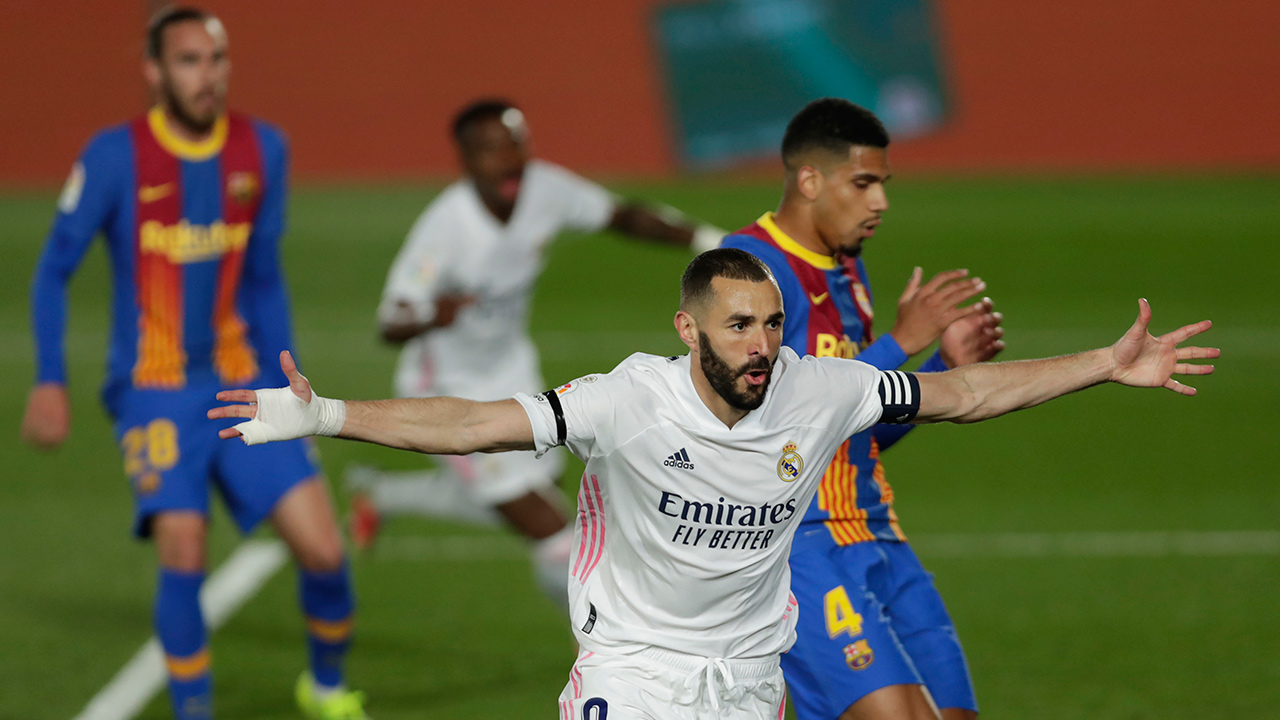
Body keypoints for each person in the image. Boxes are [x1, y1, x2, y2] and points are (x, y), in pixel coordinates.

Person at [209, 249, 1216, 720]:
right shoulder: (628, 400)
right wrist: (328, 415)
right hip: (633, 675)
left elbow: (959, 392)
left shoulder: (821, 391)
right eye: (738, 325)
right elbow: (474, 422)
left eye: (772, 323)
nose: (761, 344)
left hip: (746, 680)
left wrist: (1100, 362)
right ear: (688, 328)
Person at [20, 8, 366, 719]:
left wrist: (293, 383)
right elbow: (53, 270)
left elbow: (263, 275)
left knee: (325, 551)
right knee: (182, 545)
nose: (206, 77)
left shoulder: (263, 148)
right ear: (153, 70)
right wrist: (50, 378)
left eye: (216, 60)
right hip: (153, 387)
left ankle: (326, 688)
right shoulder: (115, 157)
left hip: (242, 379)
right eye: (188, 61)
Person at [346, 98, 726, 611]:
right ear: (464, 158)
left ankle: (383, 496)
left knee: (528, 494)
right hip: (446, 389)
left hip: (512, 372)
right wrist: (435, 313)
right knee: (556, 534)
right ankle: (599, 658)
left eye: (515, 145)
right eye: (490, 150)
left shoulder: (546, 189)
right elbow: (391, 321)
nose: (508, 161)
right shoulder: (445, 228)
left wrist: (712, 240)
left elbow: (623, 215)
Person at [720, 98, 1000, 719]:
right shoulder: (747, 264)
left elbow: (854, 429)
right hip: (801, 544)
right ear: (811, 180)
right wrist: (902, 340)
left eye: (883, 184)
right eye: (864, 183)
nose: (881, 202)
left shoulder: (848, 273)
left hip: (878, 532)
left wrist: (939, 370)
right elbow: (757, 416)